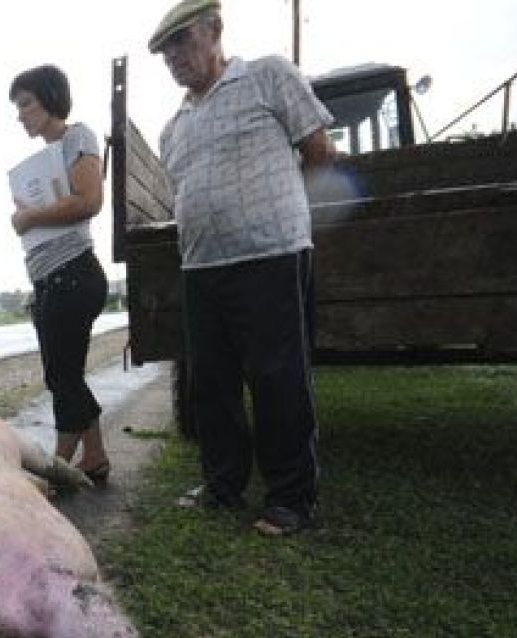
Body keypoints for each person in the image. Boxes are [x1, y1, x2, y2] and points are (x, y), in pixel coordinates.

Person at [150, 0, 336, 534]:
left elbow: (317, 151)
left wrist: (279, 213)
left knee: (278, 377)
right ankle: (222, 484)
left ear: (214, 29)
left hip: (271, 253)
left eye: (181, 41)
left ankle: (292, 499)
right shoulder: (174, 126)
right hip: (202, 265)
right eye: (166, 52)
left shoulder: (267, 76)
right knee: (210, 382)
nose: (173, 57)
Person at [7, 64, 111, 484]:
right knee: (65, 372)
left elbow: (89, 200)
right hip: (50, 279)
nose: (20, 114)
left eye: (26, 103)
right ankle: (96, 455)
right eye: (17, 107)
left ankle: (60, 464)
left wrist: (30, 217)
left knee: (61, 375)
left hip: (73, 273)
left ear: (51, 98)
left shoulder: (78, 136)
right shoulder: (42, 157)